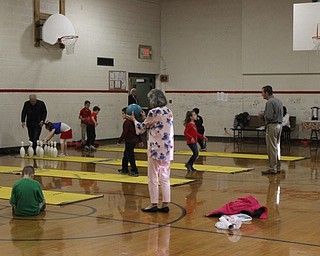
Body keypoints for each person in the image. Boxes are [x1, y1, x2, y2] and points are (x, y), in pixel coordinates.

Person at [128, 89, 174, 213]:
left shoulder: (153, 111)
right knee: (165, 176)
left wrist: (134, 119)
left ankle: (153, 203)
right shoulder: (168, 111)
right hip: (168, 148)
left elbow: (142, 128)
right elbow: (157, 123)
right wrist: (144, 117)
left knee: (153, 176)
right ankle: (165, 203)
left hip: (155, 148)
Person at [259, 85, 283, 174]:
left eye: (262, 92)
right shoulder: (279, 101)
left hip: (272, 126)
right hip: (279, 125)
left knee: (271, 147)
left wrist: (262, 116)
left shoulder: (269, 102)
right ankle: (278, 166)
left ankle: (273, 168)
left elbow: (269, 117)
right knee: (277, 146)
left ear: (266, 93)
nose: (262, 95)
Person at [117, 107, 143, 176]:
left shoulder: (127, 122)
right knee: (126, 155)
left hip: (130, 141)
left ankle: (134, 170)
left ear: (127, 114)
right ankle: (124, 168)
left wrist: (119, 141)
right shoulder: (133, 122)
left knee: (130, 156)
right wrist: (140, 141)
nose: (122, 115)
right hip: (133, 141)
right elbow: (138, 132)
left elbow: (124, 132)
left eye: (123, 113)